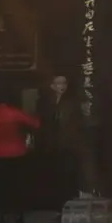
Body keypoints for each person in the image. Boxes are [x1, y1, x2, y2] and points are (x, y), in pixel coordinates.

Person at [0, 93, 41, 223]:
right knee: (18, 186)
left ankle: (1, 217)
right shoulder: (16, 114)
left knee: (1, 187)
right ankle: (18, 216)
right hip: (17, 152)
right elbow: (36, 124)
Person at [38, 73, 86, 203]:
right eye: (58, 83)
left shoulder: (72, 103)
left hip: (67, 142)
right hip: (51, 143)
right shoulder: (45, 102)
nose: (62, 86)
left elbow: (78, 122)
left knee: (67, 170)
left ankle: (68, 196)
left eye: (64, 83)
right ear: (52, 86)